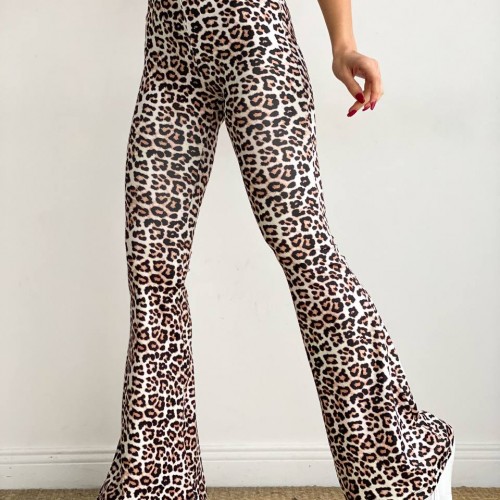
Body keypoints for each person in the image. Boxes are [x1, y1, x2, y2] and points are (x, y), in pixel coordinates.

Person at [96, 0, 455, 498]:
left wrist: (344, 45)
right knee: (152, 268)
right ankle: (155, 484)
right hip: (169, 63)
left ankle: (408, 461)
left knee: (305, 251)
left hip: (259, 51)